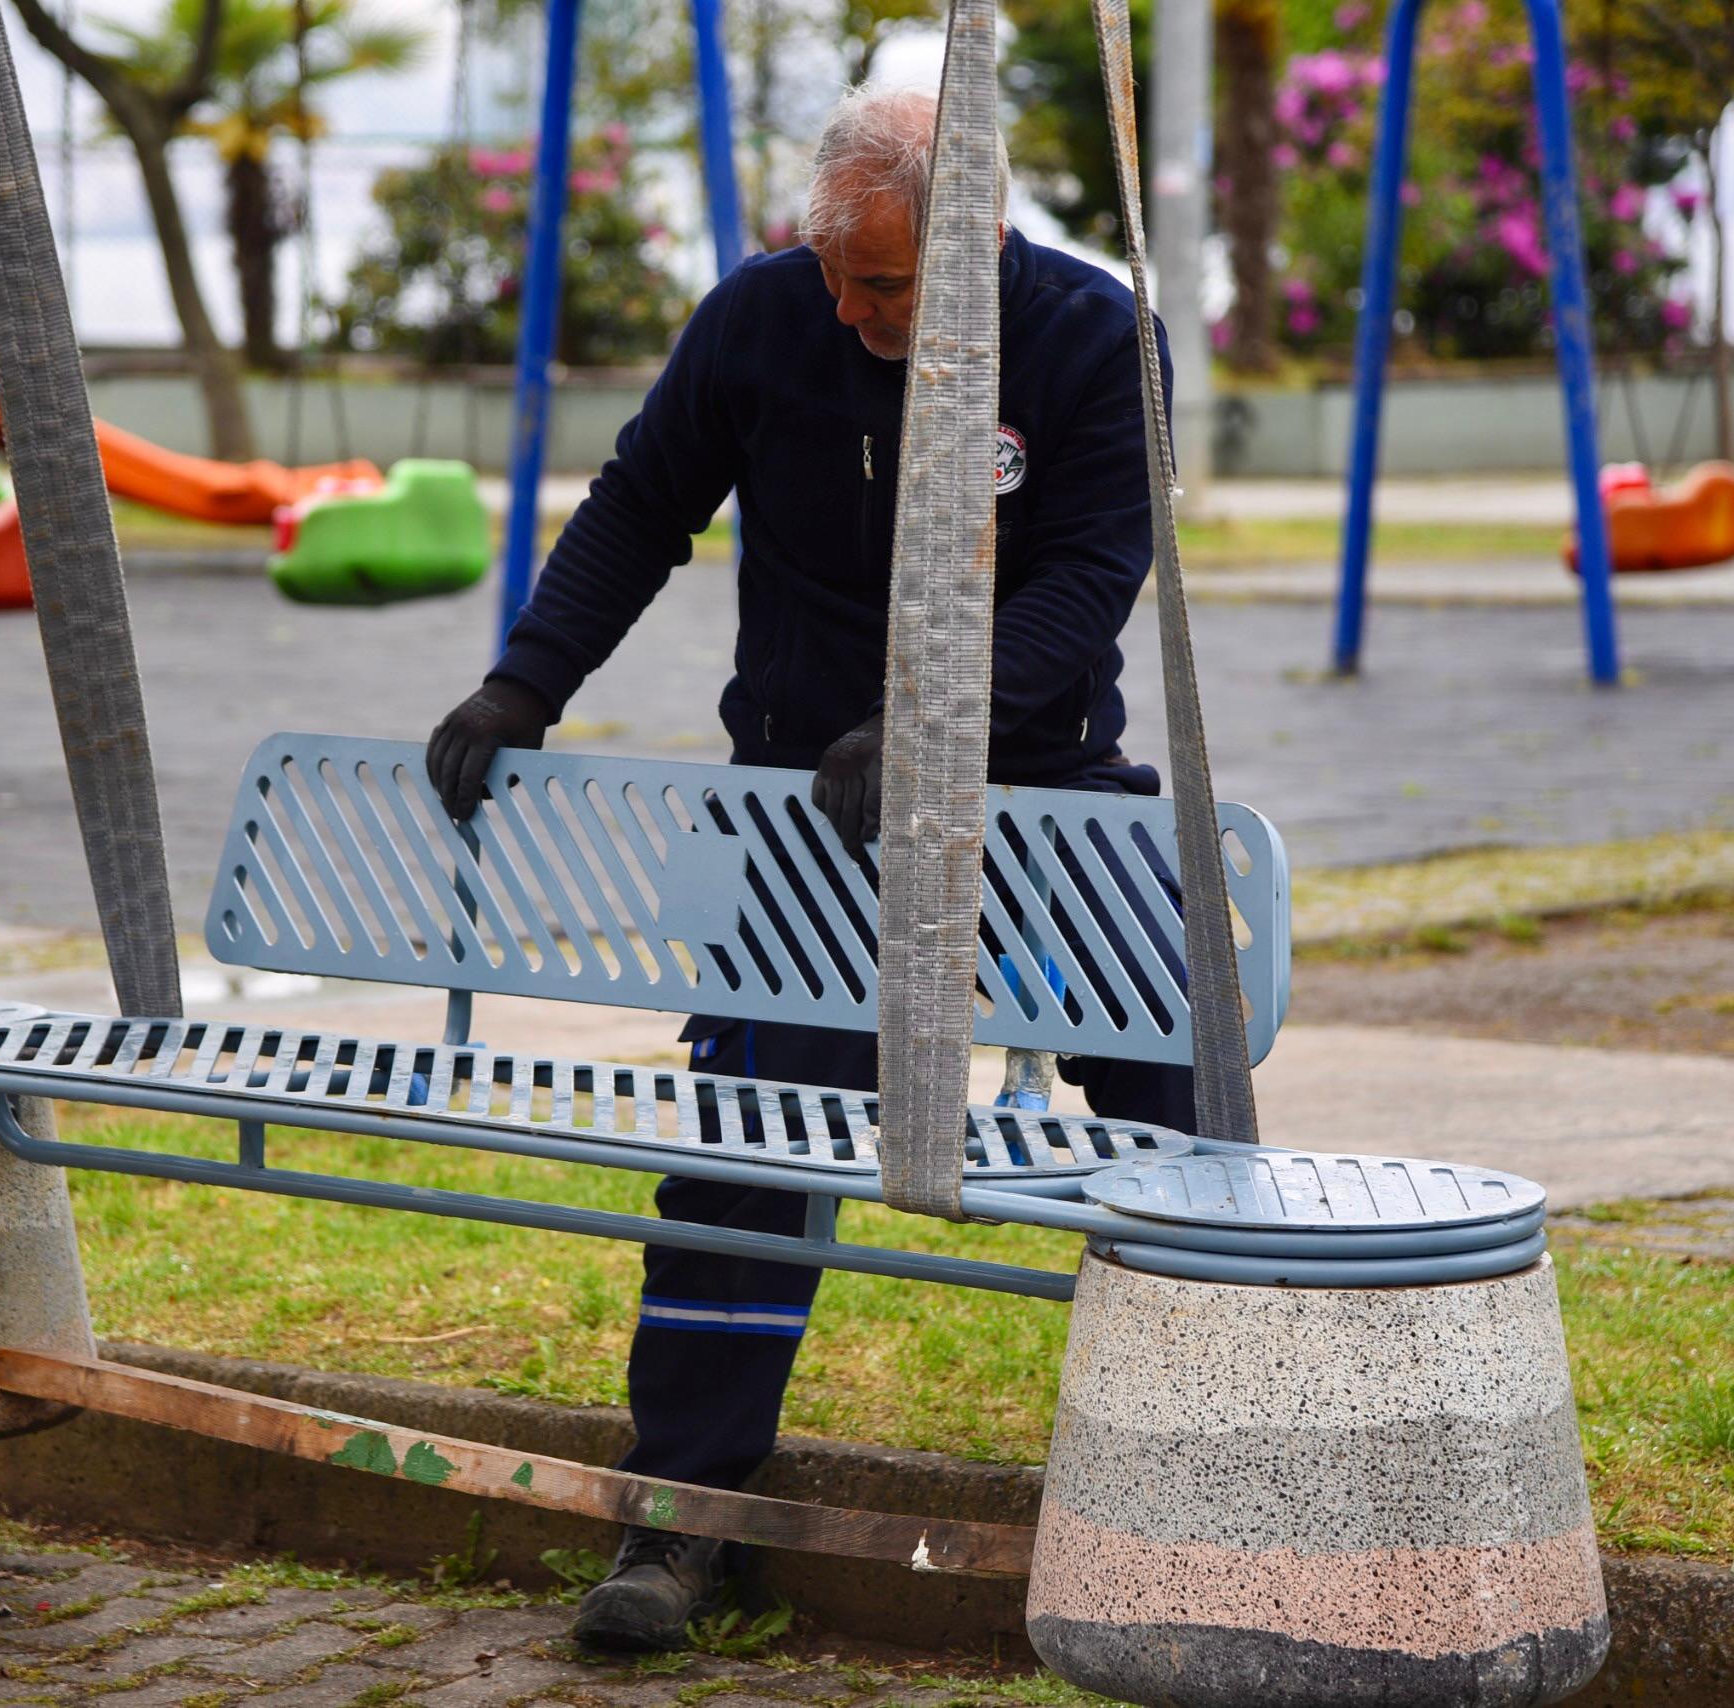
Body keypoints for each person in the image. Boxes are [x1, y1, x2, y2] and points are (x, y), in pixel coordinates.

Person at [424, 83, 1188, 1652]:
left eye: (886, 286)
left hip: (1037, 789)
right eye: (831, 272)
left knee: (1186, 1121)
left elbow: (1097, 575)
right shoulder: (767, 320)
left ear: (974, 244)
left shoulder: (1095, 341)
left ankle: (1232, 1476)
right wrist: (526, 682)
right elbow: (642, 506)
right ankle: (682, 1522)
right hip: (803, 806)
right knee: (743, 1150)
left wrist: (929, 725)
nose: (846, 311)